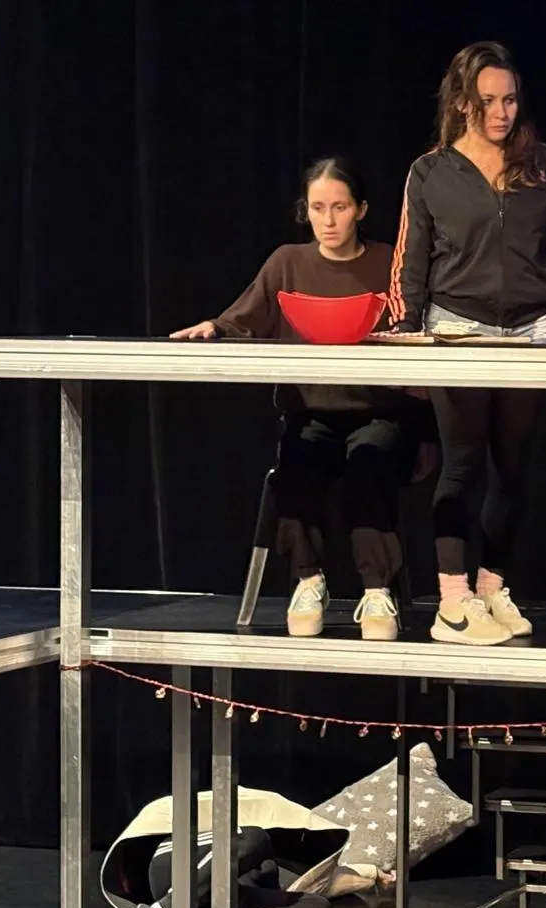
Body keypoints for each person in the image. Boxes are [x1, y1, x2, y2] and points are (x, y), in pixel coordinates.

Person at [171, 157, 436, 641]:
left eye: (339, 207)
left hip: (379, 413)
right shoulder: (287, 263)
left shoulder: (388, 262)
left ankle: (377, 590)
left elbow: (418, 330)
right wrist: (214, 326)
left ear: (361, 210)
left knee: (369, 461)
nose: (328, 220)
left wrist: (424, 428)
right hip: (311, 412)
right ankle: (309, 581)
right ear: (305, 211)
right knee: (298, 462)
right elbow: (241, 317)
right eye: (318, 208)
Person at [388, 40, 546, 646]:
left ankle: (493, 588)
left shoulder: (542, 163)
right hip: (457, 327)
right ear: (462, 103)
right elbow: (411, 261)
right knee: (462, 462)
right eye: (489, 101)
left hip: (531, 328)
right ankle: (453, 601)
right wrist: (409, 337)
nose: (502, 112)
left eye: (511, 100)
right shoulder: (431, 172)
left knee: (512, 467)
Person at [115, 826, 332, 908]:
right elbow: (254, 839)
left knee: (318, 907)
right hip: (180, 868)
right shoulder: (246, 835)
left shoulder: (270, 873)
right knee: (257, 837)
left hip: (222, 900)